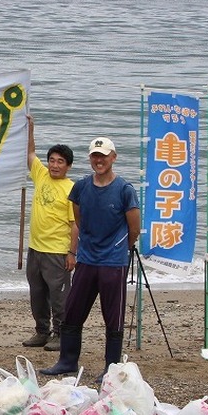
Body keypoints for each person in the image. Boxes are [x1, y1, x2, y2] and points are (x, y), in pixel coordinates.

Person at [41, 137, 140, 381]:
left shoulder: (125, 190)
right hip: (87, 258)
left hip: (113, 262)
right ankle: (67, 361)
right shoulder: (82, 187)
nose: (99, 160)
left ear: (113, 157)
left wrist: (118, 248)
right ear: (90, 158)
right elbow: (78, 217)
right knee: (74, 311)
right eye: (95, 156)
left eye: (103, 156)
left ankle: (112, 366)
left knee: (113, 315)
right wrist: (82, 247)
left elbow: (134, 227)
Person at [23, 115, 76, 351]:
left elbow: (76, 224)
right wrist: (31, 128)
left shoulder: (72, 188)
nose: (55, 165)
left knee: (59, 297)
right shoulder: (41, 175)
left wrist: (72, 253)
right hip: (36, 248)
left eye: (60, 162)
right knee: (37, 293)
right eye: (52, 160)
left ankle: (61, 334)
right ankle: (41, 332)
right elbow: (30, 154)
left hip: (57, 251)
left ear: (68, 165)